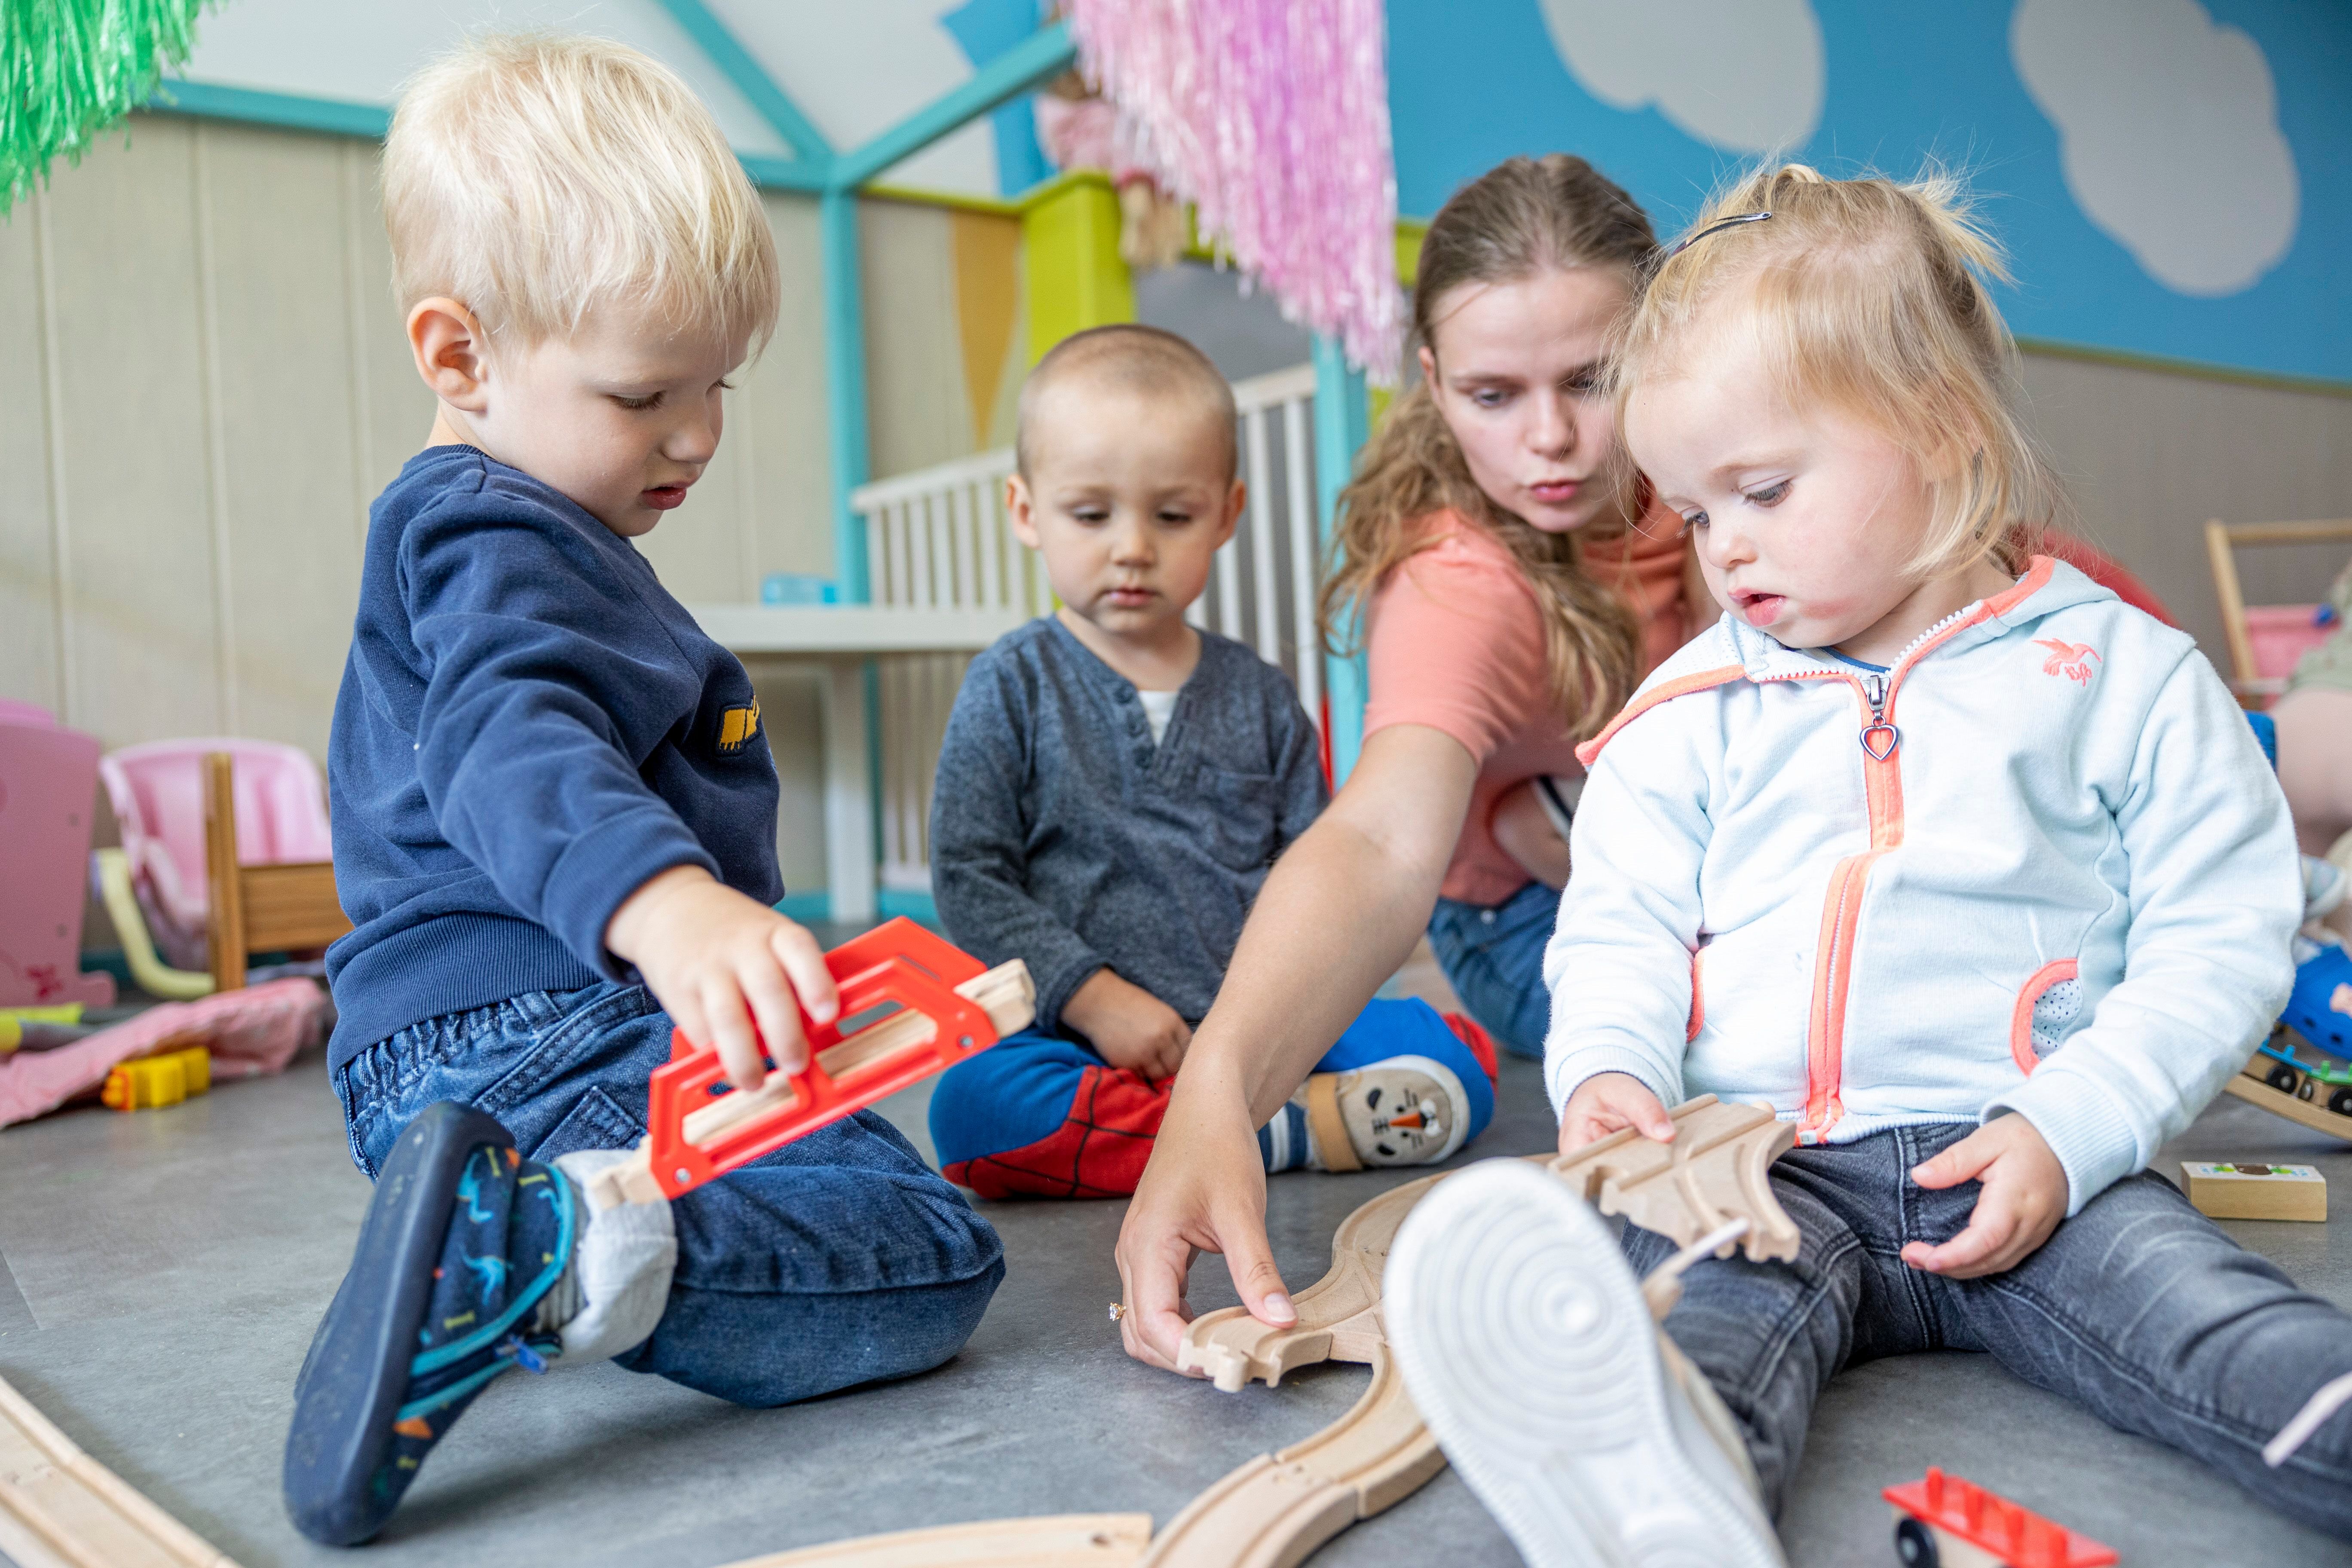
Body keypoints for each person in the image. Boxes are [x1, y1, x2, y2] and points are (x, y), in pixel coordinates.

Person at [1382, 165, 2352, 1565]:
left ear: (1940, 427)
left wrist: (2075, 1124)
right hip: (1765, 1161)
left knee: (2211, 1314)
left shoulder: (2122, 675)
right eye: (1693, 512)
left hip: (2035, 1150)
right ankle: (1665, 1496)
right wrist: (1612, 1069)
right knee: (1697, 1323)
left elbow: (2222, 932)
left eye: (1763, 491)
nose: (1725, 550)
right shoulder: (1692, 705)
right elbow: (1622, 921)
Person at [284, 36, 1003, 1545]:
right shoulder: (499, 535)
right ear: (460, 358)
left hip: (467, 1043)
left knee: (853, 1175)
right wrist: (670, 908)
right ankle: (538, 1254)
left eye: (716, 385)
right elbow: (508, 736)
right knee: (929, 1249)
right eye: (643, 393)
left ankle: (512, 1247)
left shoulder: (503, 529)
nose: (696, 435)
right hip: (545, 1020)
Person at [1109, 156, 1710, 1366]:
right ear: (1432, 383)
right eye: (1492, 394)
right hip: (1526, 911)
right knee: (1746, 1032)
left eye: (1593, 379)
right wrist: (1218, 1090)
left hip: (1698, 856)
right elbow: (1382, 839)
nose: (1549, 439)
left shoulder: (1733, 477)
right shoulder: (1457, 580)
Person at [923, 325, 1498, 1199]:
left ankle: (1234, 1119)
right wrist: (1093, 997)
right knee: (975, 1112)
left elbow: (1321, 870)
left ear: (1226, 514)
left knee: (1460, 1060)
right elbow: (970, 878)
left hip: (1264, 1030)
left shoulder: (1261, 696)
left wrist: (1274, 1020)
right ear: (1026, 512)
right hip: (1079, 1039)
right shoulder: (1013, 683)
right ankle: (1274, 1131)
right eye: (1092, 515)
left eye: (1172, 516)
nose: (1132, 547)